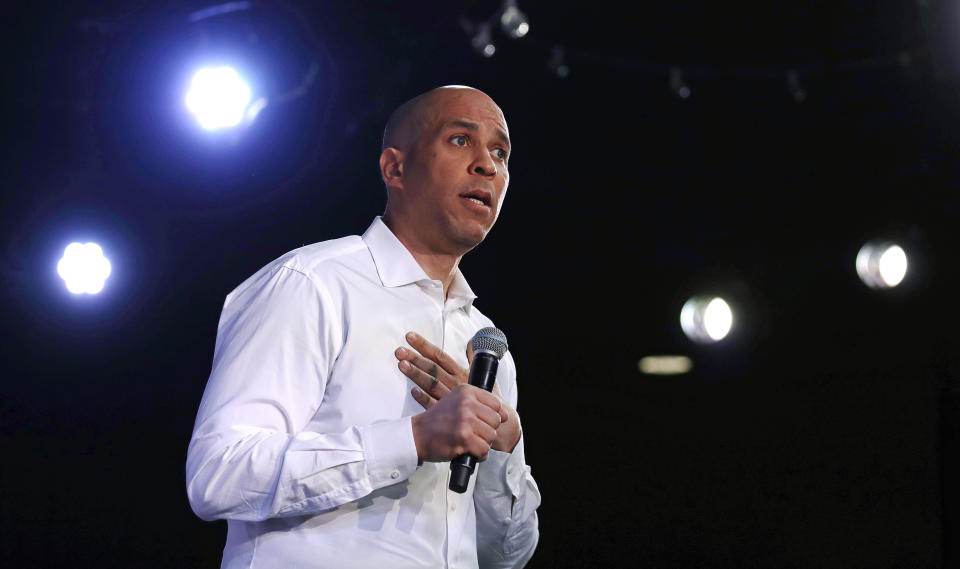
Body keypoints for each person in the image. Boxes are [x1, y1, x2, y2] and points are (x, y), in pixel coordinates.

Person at [186, 85, 541, 569]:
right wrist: (412, 439)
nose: (488, 164)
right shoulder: (312, 284)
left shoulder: (486, 346)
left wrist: (505, 450)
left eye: (500, 152)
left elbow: (504, 557)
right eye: (461, 140)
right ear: (395, 168)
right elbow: (218, 475)